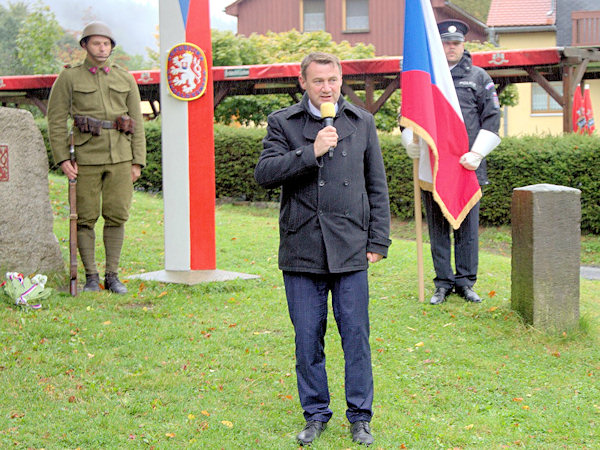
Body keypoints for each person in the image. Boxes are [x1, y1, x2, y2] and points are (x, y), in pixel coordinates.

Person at [255, 52, 391, 446]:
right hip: (302, 247)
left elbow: (376, 186)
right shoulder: (283, 122)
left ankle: (360, 416)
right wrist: (309, 151)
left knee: (355, 337)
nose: (327, 87)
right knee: (307, 339)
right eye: (318, 81)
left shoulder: (361, 121)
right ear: (303, 83)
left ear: (340, 79)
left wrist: (378, 240)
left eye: (332, 79)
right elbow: (264, 174)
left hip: (350, 247)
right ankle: (315, 413)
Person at [401, 19, 501, 305]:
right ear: (438, 45)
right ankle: (442, 282)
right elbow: (409, 115)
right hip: (434, 166)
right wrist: (411, 141)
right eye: (445, 43)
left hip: (468, 165)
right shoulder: (425, 79)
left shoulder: (479, 77)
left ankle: (466, 282)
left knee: (468, 230)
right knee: (438, 228)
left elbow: (492, 118)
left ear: (464, 45)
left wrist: (479, 152)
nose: (451, 47)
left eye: (456, 43)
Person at [47, 21, 146, 294]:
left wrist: (137, 160)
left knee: (117, 215)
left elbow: (136, 120)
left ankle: (112, 276)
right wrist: (62, 159)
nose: (102, 48)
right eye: (96, 43)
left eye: (106, 44)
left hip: (120, 157)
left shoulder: (124, 78)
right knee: (84, 218)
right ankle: (90, 276)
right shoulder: (69, 78)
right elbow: (55, 120)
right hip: (86, 156)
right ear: (85, 46)